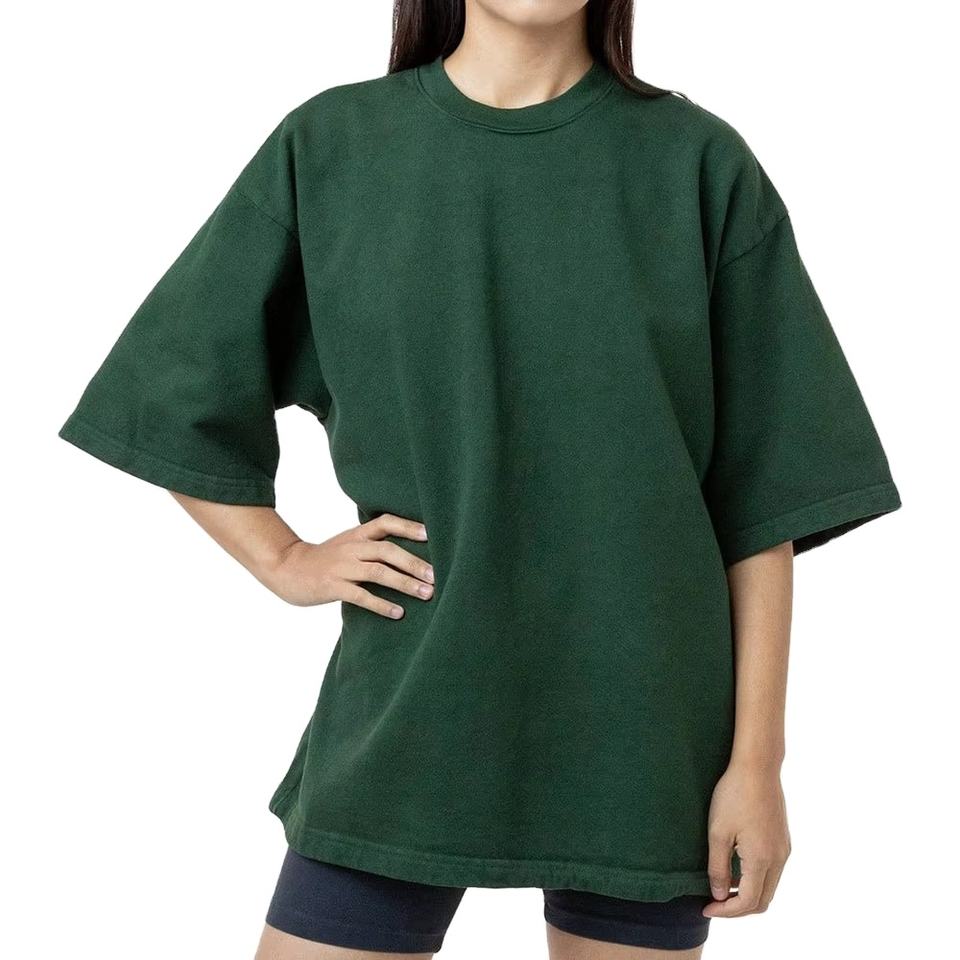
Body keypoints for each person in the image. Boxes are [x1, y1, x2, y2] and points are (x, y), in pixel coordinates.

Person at [57, 1, 902, 957]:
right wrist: (282, 558)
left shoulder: (698, 164)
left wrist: (758, 764)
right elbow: (171, 388)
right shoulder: (334, 147)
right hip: (412, 709)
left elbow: (762, 504)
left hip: (647, 735)